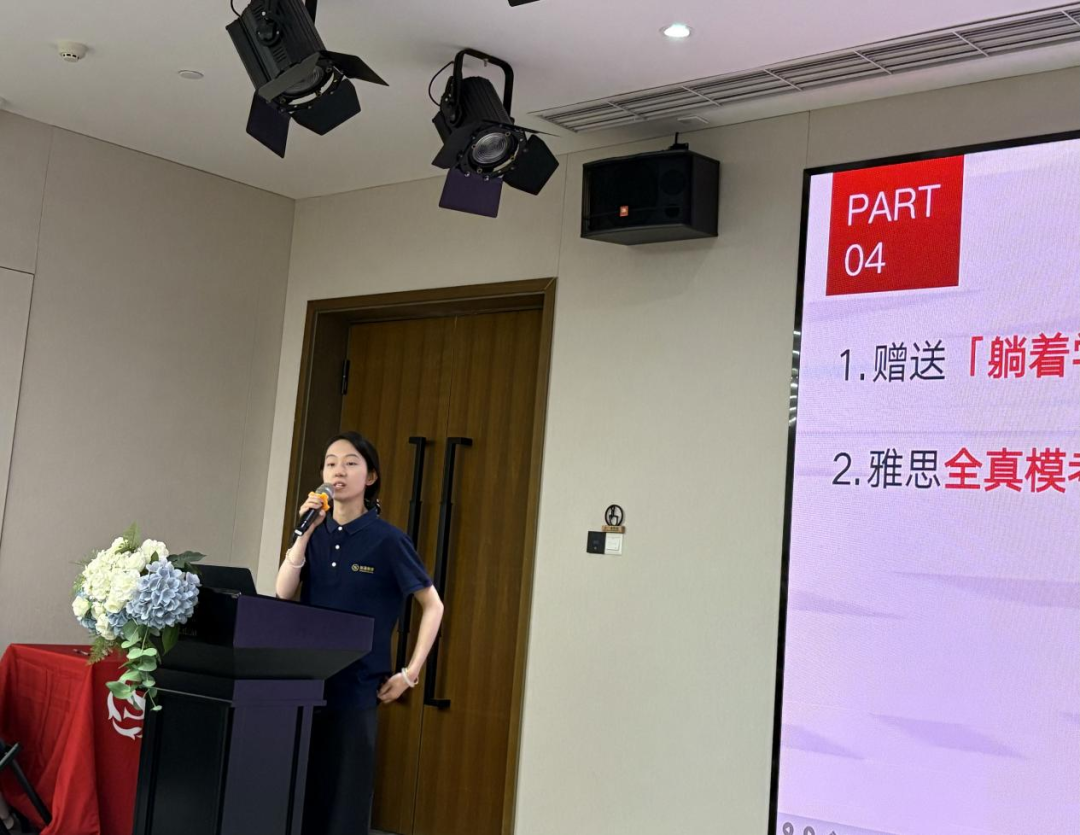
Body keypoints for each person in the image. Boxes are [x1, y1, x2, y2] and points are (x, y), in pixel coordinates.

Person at [276, 432, 444, 835]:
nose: (339, 471)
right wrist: (304, 533)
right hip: (306, 684)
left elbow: (433, 605)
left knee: (345, 806)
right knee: (301, 800)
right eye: (331, 463)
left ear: (370, 477)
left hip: (356, 689)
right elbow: (282, 592)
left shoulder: (388, 540)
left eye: (351, 463)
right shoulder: (315, 532)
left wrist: (410, 673)